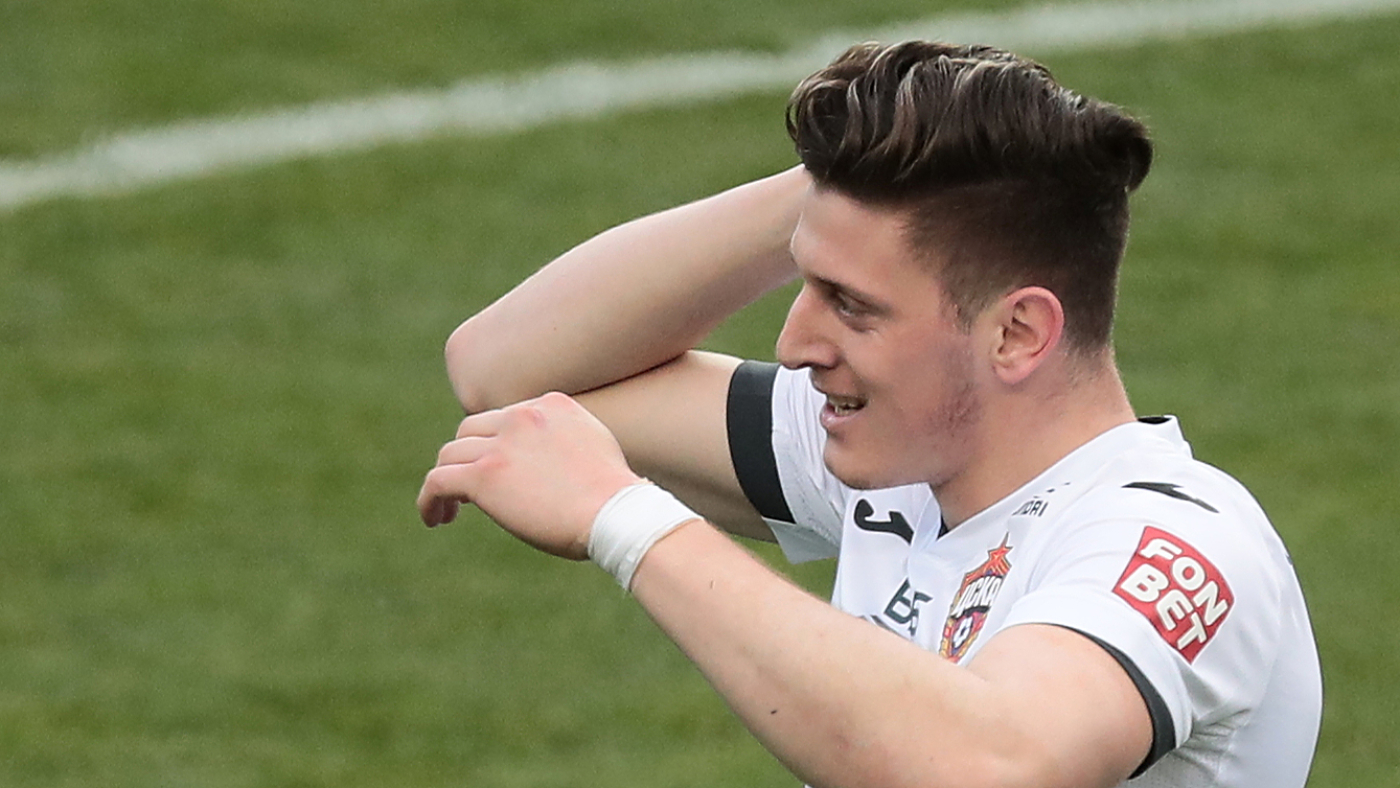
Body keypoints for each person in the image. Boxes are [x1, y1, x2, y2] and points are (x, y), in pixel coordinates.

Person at [416, 41, 1321, 788]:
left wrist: (627, 521)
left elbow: (990, 767)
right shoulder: (903, 463)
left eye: (851, 304)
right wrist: (838, 194)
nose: (795, 344)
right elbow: (507, 369)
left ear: (1016, 334)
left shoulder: (1179, 539)